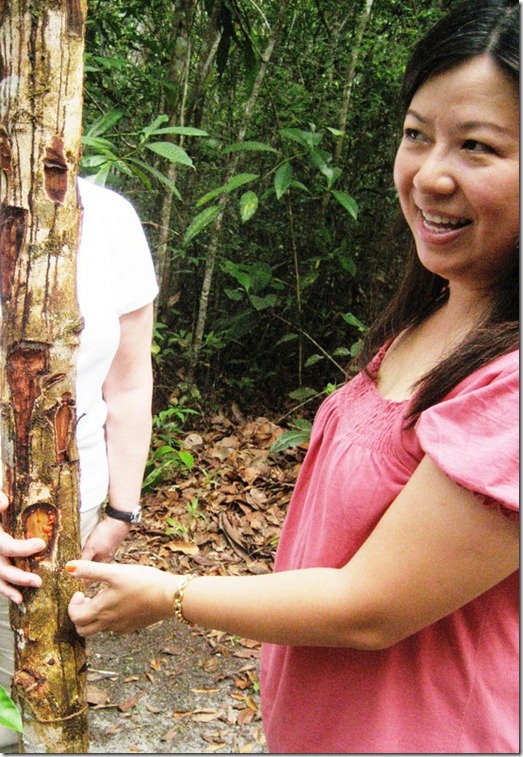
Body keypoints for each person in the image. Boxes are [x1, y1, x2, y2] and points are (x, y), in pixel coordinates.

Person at [68, 0, 519, 752]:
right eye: (416, 135)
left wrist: (170, 594)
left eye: (476, 146)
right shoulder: (437, 311)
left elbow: (367, 606)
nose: (430, 175)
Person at [0, 177, 158, 747]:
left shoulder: (110, 218)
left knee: (41, 700)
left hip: (67, 506)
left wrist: (121, 509)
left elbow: (130, 380)